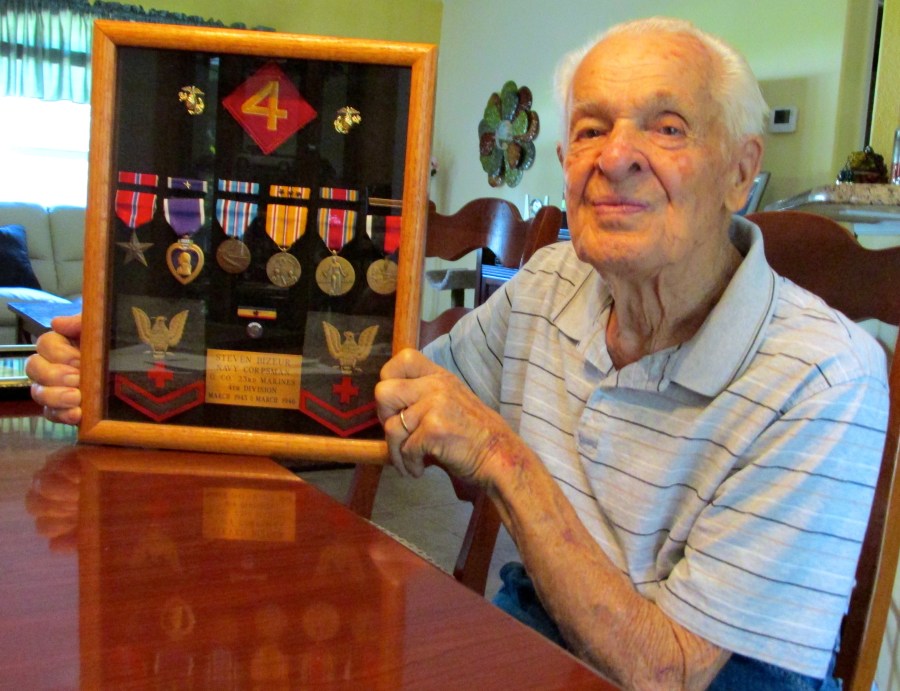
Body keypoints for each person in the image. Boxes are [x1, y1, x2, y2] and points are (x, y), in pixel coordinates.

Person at [27, 17, 888, 690]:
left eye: (665, 127)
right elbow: (381, 396)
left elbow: (668, 671)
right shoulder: (554, 281)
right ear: (563, 161)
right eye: (591, 129)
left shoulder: (825, 375)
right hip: (530, 642)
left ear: (742, 171)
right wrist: (129, 378)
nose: (615, 157)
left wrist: (501, 456)